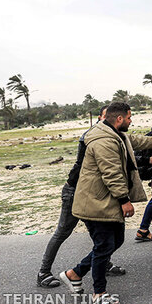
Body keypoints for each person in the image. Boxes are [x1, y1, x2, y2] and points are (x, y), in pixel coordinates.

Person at [58, 102, 152, 304]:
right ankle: (99, 293)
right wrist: (124, 200)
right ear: (119, 119)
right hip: (95, 202)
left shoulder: (117, 134)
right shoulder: (103, 140)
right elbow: (112, 173)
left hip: (106, 201)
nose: (130, 120)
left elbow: (135, 140)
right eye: (129, 118)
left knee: (115, 241)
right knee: (104, 246)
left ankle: (75, 273)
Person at [36, 106, 126, 288]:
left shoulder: (111, 136)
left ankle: (102, 263)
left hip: (90, 194)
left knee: (102, 235)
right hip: (75, 192)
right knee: (63, 232)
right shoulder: (94, 137)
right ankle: (43, 272)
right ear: (102, 118)